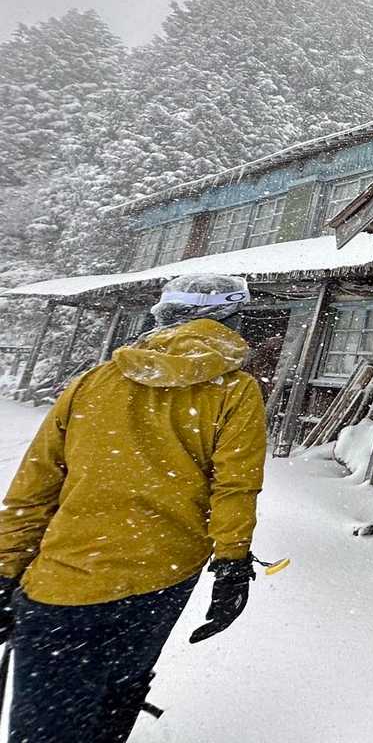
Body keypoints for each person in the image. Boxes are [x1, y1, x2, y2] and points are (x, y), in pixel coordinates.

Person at [0, 273, 267, 743]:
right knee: (119, 693)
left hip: (63, 580)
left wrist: (6, 570)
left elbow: (34, 488)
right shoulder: (233, 390)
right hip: (162, 574)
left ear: (162, 317)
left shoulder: (93, 382)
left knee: (45, 722)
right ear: (230, 319)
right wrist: (231, 564)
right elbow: (234, 487)